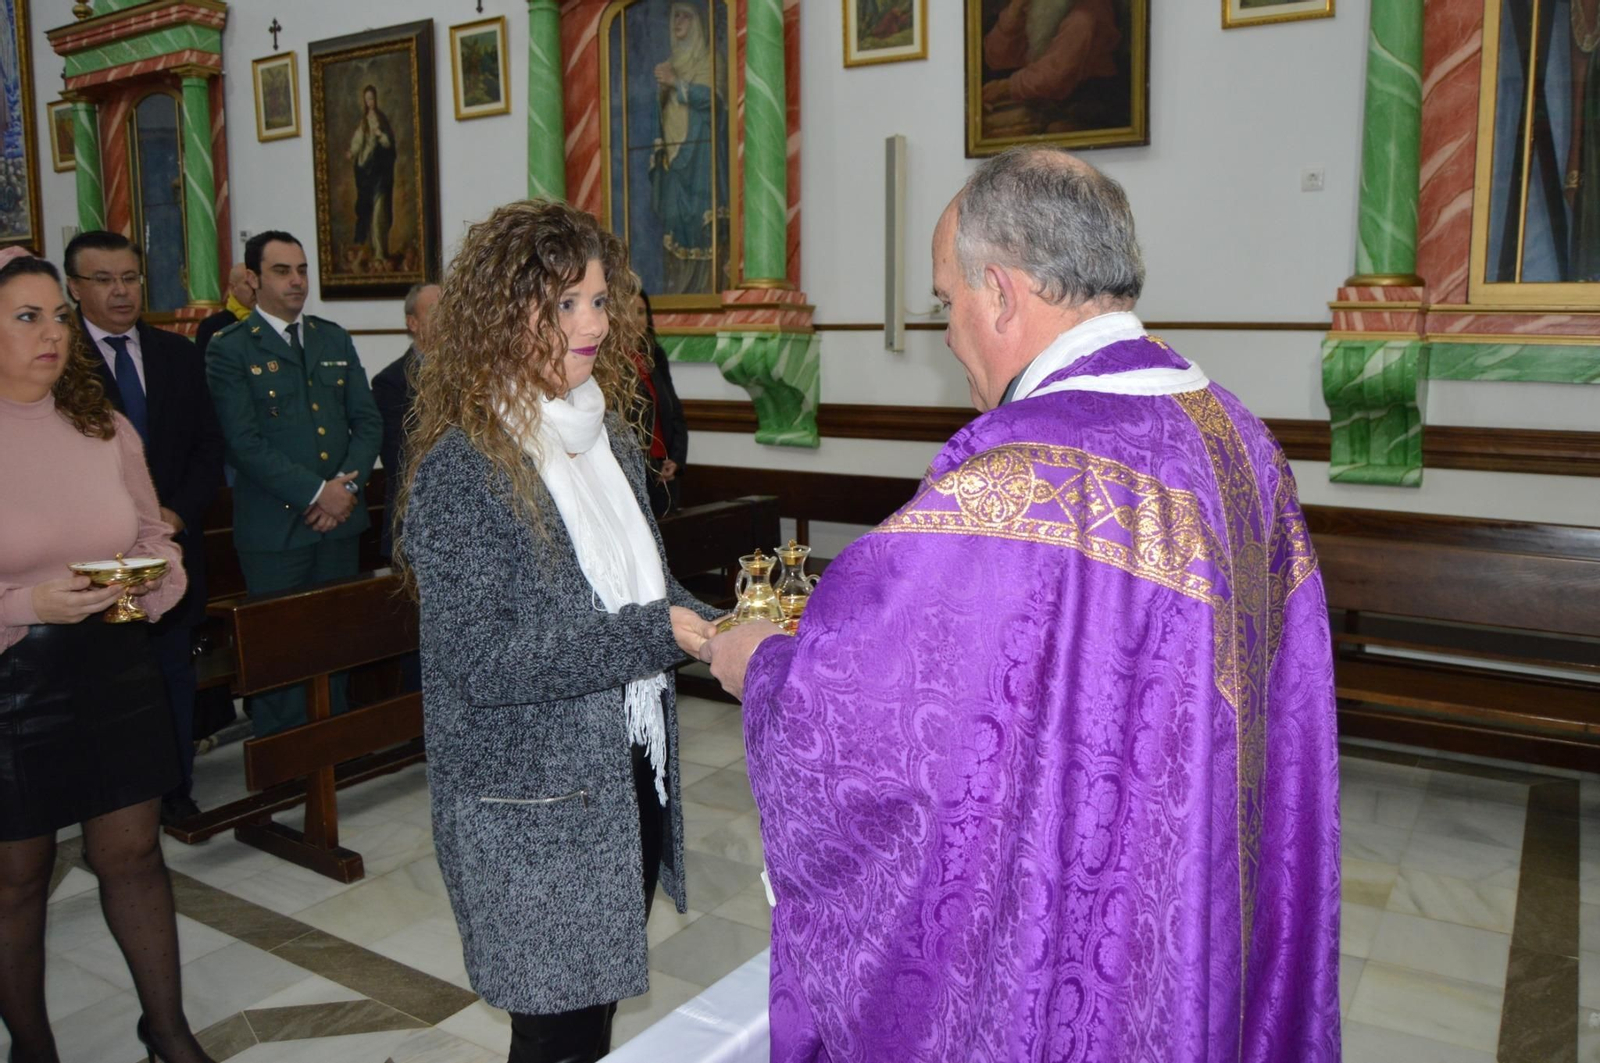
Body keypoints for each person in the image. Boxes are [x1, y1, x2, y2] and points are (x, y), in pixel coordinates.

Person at [692, 149, 1341, 1062]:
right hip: (1198, 923)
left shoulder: (1014, 479)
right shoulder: (1240, 440)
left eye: (944, 302)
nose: (948, 335)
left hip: (1085, 947)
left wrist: (759, 664)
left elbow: (870, 716)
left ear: (999, 293)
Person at [396, 200, 719, 1063]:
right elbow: (482, 664)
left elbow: (645, 585)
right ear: (506, 316)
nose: (592, 323)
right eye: (564, 303)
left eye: (601, 301)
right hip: (531, 806)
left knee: (592, 1015)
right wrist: (659, 633)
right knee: (554, 1034)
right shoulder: (464, 467)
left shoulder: (603, 430)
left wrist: (731, 625)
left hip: (622, 777)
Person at [0, 248, 215, 1063]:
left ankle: (167, 1030)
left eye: (58, 315)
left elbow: (151, 530)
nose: (52, 332)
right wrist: (31, 603)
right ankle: (31, 1044)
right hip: (13, 675)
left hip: (113, 665)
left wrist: (159, 578)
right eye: (28, 317)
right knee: (17, 880)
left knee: (131, 854)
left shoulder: (103, 424)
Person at [64, 230, 224, 825]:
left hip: (172, 549)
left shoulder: (175, 353)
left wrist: (175, 516)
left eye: (129, 278)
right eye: (103, 280)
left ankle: (176, 789)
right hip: (95, 557)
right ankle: (111, 798)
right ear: (75, 289)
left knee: (172, 672)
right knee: (108, 685)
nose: (120, 291)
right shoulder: (60, 361)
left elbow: (209, 448)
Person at [206, 230, 382, 736]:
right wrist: (316, 492)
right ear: (252, 279)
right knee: (281, 656)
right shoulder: (232, 349)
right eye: (282, 271)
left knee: (337, 644)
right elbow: (243, 442)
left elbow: (366, 422)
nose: (297, 281)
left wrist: (343, 492)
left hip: (339, 525)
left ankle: (336, 753)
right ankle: (286, 761)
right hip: (277, 531)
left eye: (302, 270)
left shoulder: (331, 337)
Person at [650, 1, 729, 295]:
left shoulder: (711, 60)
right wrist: (662, 91)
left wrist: (676, 84)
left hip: (701, 155)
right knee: (674, 222)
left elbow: (716, 102)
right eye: (674, 16)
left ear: (699, 22)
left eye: (685, 16)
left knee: (700, 222)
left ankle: (707, 288)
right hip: (673, 157)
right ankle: (678, 293)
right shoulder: (670, 63)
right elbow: (659, 115)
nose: (678, 22)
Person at [372, 281, 439, 559]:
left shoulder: (474, 376)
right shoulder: (391, 382)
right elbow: (399, 460)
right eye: (437, 311)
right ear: (413, 323)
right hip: (417, 522)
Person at [981, 0, 1121, 119]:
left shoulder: (1087, 12)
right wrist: (1014, 11)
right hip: (1045, 98)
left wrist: (1006, 87)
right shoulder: (1043, 6)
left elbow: (1055, 76)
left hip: (1087, 102)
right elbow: (997, 59)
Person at [630, 289, 688, 518]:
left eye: (641, 312)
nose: (636, 319)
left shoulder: (655, 355)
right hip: (634, 471)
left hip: (664, 471)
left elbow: (674, 411)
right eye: (628, 312)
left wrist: (676, 458)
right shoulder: (608, 364)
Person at [347, 85, 397, 263]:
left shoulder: (381, 120)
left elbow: (388, 144)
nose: (370, 102)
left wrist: (380, 134)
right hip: (366, 172)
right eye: (367, 99)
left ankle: (380, 252)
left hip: (380, 172)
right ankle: (369, 249)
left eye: (372, 98)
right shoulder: (363, 122)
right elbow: (357, 141)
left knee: (379, 214)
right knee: (366, 212)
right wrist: (352, 152)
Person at [194, 262, 257, 356]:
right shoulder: (213, 326)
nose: (255, 288)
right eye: (248, 283)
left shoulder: (272, 319)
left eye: (256, 282)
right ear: (232, 288)